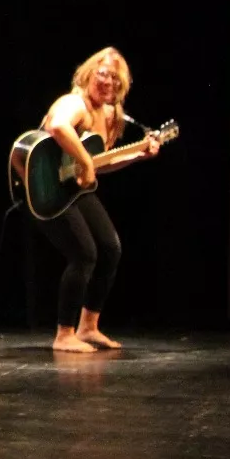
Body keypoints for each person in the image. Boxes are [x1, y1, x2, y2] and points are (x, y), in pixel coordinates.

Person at [36, 47, 158, 352]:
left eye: (116, 79)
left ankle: (88, 327)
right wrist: (87, 164)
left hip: (74, 187)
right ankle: (64, 334)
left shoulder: (111, 115)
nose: (108, 82)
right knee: (84, 253)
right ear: (89, 73)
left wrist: (135, 155)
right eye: (103, 74)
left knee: (110, 248)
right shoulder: (74, 103)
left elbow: (99, 162)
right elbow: (57, 126)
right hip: (45, 186)